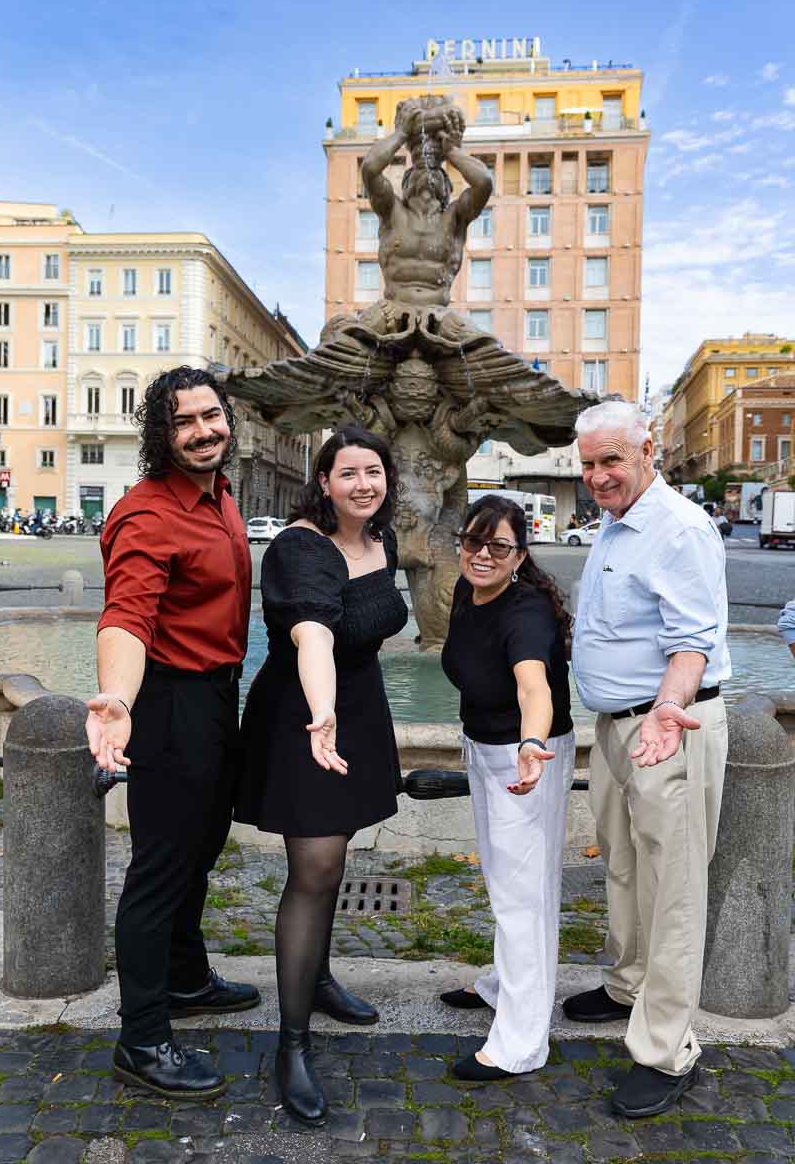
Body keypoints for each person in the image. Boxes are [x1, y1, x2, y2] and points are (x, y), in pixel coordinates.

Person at [85, 367, 259, 1101]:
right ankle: (143, 1039)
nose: (202, 431)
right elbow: (127, 613)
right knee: (160, 870)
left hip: (217, 700)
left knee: (199, 852)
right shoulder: (148, 513)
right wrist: (118, 699)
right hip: (167, 705)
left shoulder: (219, 495)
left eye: (210, 416)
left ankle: (185, 979)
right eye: (183, 421)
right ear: (161, 433)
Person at [234, 426, 408, 1127]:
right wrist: (323, 711)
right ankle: (293, 1043)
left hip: (357, 709)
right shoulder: (298, 547)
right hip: (305, 713)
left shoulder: (382, 539)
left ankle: (321, 979)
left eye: (374, 471)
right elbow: (312, 633)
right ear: (324, 481)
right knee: (314, 869)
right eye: (348, 474)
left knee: (335, 865)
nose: (363, 484)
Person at [565, 401, 730, 1119]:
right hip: (618, 725)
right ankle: (629, 984)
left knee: (674, 889)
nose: (599, 477)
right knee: (626, 866)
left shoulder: (679, 528)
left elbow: (692, 640)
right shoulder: (615, 519)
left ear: (648, 451)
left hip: (669, 723)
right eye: (589, 465)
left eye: (611, 461)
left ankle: (667, 1049)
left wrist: (667, 710)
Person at [438, 495, 575, 1081]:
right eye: (473, 542)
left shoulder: (526, 613)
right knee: (505, 880)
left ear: (520, 554)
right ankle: (501, 985)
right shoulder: (468, 593)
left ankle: (521, 1043)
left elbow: (532, 687)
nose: (482, 555)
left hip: (527, 759)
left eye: (498, 546)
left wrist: (530, 745)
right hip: (485, 750)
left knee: (524, 896)